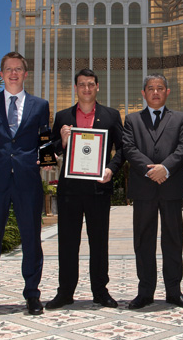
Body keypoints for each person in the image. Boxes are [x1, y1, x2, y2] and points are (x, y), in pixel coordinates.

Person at [0, 52, 50, 318]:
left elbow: (44, 137)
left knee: (31, 239)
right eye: (8, 69)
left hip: (28, 180)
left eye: (18, 69)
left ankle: (32, 295)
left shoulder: (40, 105)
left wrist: (48, 159)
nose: (13, 73)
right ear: (1, 74)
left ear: (25, 74)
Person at [46, 69, 124, 309]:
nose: (87, 89)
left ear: (97, 87)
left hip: (99, 189)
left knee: (99, 243)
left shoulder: (111, 116)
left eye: (91, 84)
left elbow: (122, 149)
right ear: (76, 88)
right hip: (69, 190)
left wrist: (111, 169)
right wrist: (62, 141)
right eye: (82, 85)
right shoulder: (62, 116)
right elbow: (50, 152)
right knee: (68, 243)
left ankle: (100, 291)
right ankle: (65, 292)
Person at [123, 74, 183, 309]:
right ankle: (145, 292)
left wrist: (165, 168)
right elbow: (129, 148)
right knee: (143, 241)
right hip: (144, 189)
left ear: (167, 92)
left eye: (160, 88)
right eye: (150, 88)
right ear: (143, 93)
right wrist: (150, 170)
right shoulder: (132, 119)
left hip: (171, 188)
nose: (155, 92)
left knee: (173, 241)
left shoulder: (181, 118)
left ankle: (174, 291)